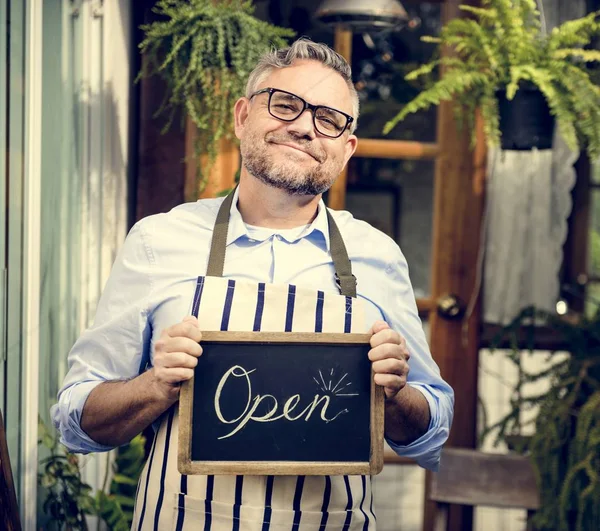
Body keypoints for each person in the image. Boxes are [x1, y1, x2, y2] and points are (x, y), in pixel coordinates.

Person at [52, 38, 453, 530]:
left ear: (346, 149)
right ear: (243, 116)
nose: (305, 126)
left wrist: (393, 395)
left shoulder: (377, 256)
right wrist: (154, 385)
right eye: (285, 104)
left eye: (329, 119)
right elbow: (76, 419)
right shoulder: (160, 240)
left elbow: (432, 431)